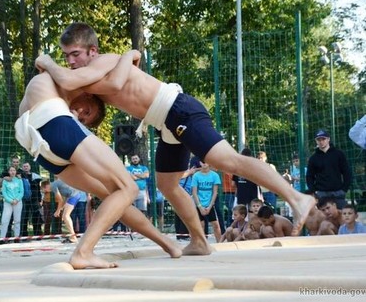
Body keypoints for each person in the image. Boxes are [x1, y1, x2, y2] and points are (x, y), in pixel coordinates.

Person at [36, 22, 315, 242]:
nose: (70, 61)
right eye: (66, 56)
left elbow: (109, 80)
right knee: (167, 185)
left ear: (92, 51)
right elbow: (77, 82)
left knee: (227, 161)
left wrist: (48, 62)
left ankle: (296, 198)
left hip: (177, 109)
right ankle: (198, 240)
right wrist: (131, 54)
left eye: (75, 54)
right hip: (164, 122)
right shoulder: (93, 72)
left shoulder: (100, 64)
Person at [16, 50, 181, 269]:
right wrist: (129, 55)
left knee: (117, 195)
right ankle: (83, 252)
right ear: (90, 96)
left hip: (38, 146)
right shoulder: (75, 78)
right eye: (88, 112)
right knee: (128, 188)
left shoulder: (53, 85)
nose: (81, 114)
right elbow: (114, 82)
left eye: (84, 119)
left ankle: (166, 243)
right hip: (52, 123)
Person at [306, 129, 352, 210]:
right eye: (318, 139)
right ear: (316, 141)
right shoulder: (313, 158)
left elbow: (346, 172)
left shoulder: (339, 154)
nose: (321, 141)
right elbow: (309, 176)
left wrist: (344, 189)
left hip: (338, 193)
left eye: (323, 139)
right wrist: (314, 191)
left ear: (328, 139)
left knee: (342, 219)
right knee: (324, 221)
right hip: (321, 194)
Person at [191, 160, 222, 242]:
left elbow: (215, 192)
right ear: (200, 163)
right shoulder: (196, 176)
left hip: (210, 204)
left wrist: (209, 206)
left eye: (206, 161)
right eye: (202, 161)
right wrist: (200, 206)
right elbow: (194, 192)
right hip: (199, 204)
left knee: (216, 225)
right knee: (201, 225)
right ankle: (202, 244)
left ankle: (220, 244)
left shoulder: (214, 175)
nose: (204, 163)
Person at [52, 176, 83, 243]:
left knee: (65, 216)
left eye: (43, 189)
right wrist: (61, 208)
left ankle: (73, 236)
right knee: (65, 216)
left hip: (74, 196)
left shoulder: (53, 185)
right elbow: (66, 197)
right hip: (76, 195)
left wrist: (57, 211)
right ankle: (73, 236)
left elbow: (60, 200)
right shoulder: (62, 182)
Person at [0, 166, 24, 241]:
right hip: (8, 203)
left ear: (16, 172)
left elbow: (21, 191)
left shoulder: (19, 180)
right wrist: (11, 200)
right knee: (4, 220)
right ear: (8, 172)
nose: (12, 172)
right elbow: (4, 192)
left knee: (17, 220)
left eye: (14, 170)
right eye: (11, 170)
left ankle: (16, 238)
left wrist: (17, 199)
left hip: (18, 202)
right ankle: (2, 238)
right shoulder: (5, 181)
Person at [21, 162, 43, 236]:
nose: (26, 167)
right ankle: (24, 235)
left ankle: (38, 234)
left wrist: (40, 200)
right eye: (24, 166)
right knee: (24, 217)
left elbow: (38, 190)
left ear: (30, 167)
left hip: (34, 200)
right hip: (24, 200)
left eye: (27, 166)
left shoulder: (36, 177)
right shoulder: (20, 176)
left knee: (36, 217)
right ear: (22, 167)